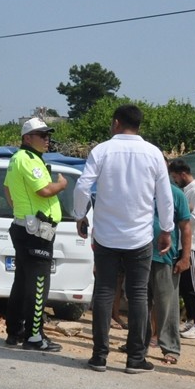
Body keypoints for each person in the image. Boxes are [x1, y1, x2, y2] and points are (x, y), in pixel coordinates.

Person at [73, 104, 174, 374]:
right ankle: (135, 358)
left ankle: (99, 356)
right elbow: (164, 196)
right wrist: (166, 229)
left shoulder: (102, 150)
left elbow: (82, 186)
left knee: (105, 291)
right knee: (138, 294)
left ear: (116, 122)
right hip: (140, 237)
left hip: (106, 236)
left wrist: (80, 216)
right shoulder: (153, 153)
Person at [3, 118, 66, 352]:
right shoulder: (28, 159)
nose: (47, 139)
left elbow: (7, 188)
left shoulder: (17, 158)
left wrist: (20, 211)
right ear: (27, 138)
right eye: (42, 135)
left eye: (48, 135)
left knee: (22, 282)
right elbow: (45, 190)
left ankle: (15, 331)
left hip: (26, 227)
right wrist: (61, 185)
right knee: (38, 284)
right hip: (36, 231)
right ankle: (34, 337)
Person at [147, 180, 191, 365]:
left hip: (165, 257)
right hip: (139, 254)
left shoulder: (176, 194)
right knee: (139, 302)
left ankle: (170, 347)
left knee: (167, 305)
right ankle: (138, 342)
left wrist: (185, 257)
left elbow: (186, 227)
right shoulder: (142, 187)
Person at [169, 159, 195, 340]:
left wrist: (179, 214)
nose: (175, 181)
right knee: (185, 286)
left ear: (183, 174)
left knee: (193, 286)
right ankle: (191, 320)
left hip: (192, 245)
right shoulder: (186, 192)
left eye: (175, 177)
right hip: (181, 244)